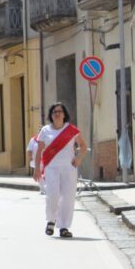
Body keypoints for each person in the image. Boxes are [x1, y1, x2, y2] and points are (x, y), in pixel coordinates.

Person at [33, 102, 87, 239]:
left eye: (60, 111)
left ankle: (63, 227)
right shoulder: (45, 131)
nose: (57, 114)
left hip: (69, 168)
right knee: (53, 194)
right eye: (54, 112)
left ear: (64, 114)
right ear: (51, 115)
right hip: (51, 168)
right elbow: (39, 151)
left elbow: (83, 146)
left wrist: (79, 158)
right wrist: (37, 168)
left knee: (68, 197)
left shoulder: (71, 130)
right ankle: (51, 221)